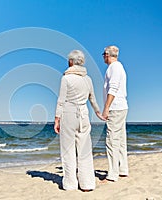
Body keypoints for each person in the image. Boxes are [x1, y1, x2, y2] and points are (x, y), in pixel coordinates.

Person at [54, 50, 105, 192]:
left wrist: (57, 119)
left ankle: (70, 184)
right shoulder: (87, 79)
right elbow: (92, 98)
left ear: (71, 62)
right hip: (84, 114)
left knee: (68, 150)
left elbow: (61, 100)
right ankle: (87, 184)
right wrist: (98, 112)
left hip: (69, 114)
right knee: (84, 150)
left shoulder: (66, 78)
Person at [101, 45, 128, 182]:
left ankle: (113, 173)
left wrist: (106, 108)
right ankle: (123, 169)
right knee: (120, 139)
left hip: (116, 108)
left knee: (112, 140)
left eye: (103, 54)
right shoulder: (117, 67)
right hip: (120, 107)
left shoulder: (114, 68)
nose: (103, 57)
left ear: (107, 54)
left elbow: (113, 88)